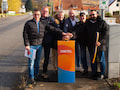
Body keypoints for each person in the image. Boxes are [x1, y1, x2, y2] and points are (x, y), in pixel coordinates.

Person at [23, 8, 72, 84]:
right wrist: (27, 45)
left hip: (39, 45)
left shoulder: (43, 23)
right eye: (35, 14)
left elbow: (53, 29)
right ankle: (31, 78)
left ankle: (36, 75)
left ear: (40, 15)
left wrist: (63, 33)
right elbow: (25, 34)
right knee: (31, 63)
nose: (37, 16)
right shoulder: (28, 23)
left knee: (37, 62)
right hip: (31, 46)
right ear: (33, 15)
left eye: (38, 14)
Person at [40, 7, 73, 78]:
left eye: (46, 11)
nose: (45, 12)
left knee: (50, 57)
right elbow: (52, 28)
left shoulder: (52, 20)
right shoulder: (42, 20)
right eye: (44, 11)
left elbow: (57, 28)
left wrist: (67, 34)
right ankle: (39, 73)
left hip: (54, 41)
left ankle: (47, 72)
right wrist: (63, 33)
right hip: (44, 41)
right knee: (48, 57)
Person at [85, 10, 108, 80]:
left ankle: (102, 74)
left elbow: (106, 33)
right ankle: (94, 73)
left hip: (100, 45)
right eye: (91, 15)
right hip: (91, 45)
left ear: (97, 14)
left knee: (101, 60)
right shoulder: (88, 23)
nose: (92, 16)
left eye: (93, 15)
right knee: (93, 60)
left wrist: (100, 42)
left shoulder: (102, 22)